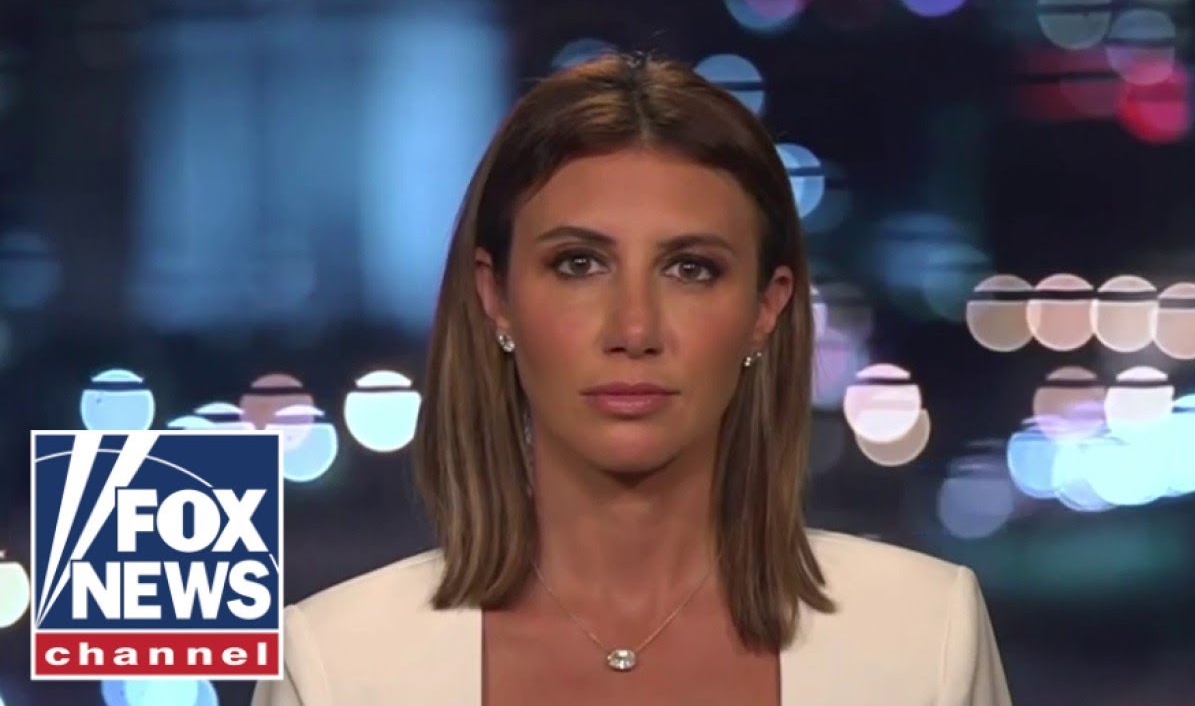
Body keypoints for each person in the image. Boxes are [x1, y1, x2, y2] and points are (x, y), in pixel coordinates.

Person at [251, 51, 1013, 706]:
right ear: (496, 297)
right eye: (579, 264)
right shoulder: (334, 666)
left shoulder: (928, 639)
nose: (635, 330)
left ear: (766, 308)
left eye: (691, 269)